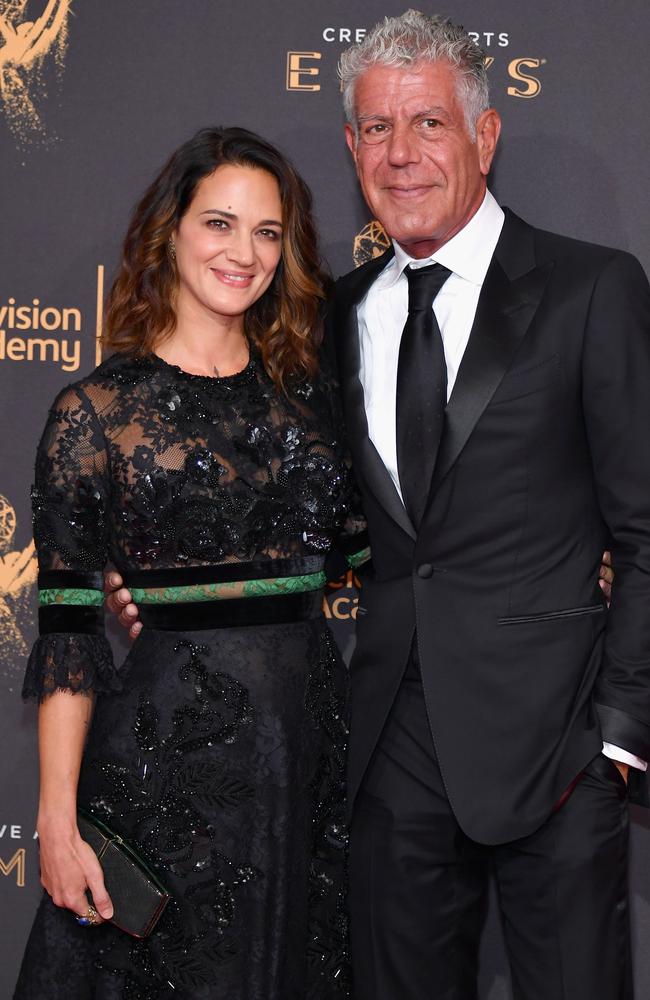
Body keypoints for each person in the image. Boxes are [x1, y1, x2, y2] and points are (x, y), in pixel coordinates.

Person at [103, 17, 623, 999]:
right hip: (387, 757)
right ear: (350, 148)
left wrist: (620, 734)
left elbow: (639, 526)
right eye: (376, 129)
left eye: (427, 122)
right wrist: (164, 582)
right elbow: (304, 519)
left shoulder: (588, 289)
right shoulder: (335, 314)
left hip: (554, 749)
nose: (400, 152)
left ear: (484, 134)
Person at [14, 126, 367, 1000]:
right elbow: (66, 632)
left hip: (307, 760)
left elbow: (383, 552)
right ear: (170, 231)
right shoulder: (95, 414)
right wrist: (57, 821)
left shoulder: (311, 404)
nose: (242, 253)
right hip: (166, 769)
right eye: (219, 223)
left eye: (267, 232)